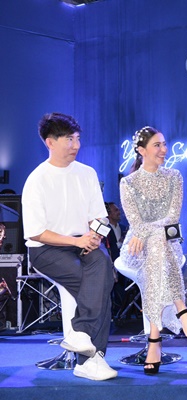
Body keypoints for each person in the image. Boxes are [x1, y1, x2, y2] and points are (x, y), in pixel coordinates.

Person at [21, 112, 117, 381]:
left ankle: (81, 337)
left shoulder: (87, 173)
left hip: (83, 243)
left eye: (77, 138)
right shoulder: (37, 179)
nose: (76, 145)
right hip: (46, 249)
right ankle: (91, 359)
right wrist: (77, 241)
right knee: (96, 284)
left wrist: (95, 236)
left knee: (103, 266)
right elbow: (36, 232)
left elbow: (100, 217)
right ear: (50, 142)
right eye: (69, 139)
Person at [119, 126, 187, 375]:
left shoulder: (174, 176)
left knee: (158, 244)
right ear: (141, 150)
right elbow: (134, 221)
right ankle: (183, 312)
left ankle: (154, 341)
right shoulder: (128, 182)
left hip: (167, 243)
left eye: (164, 144)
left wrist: (147, 232)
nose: (164, 150)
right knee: (157, 244)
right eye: (157, 145)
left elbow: (172, 217)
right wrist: (144, 233)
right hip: (136, 247)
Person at [104, 202, 129, 317]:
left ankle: (125, 313)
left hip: (125, 265)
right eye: (116, 210)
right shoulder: (104, 229)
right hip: (110, 265)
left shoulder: (125, 228)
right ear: (108, 214)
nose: (119, 213)